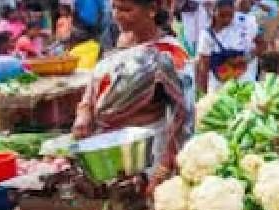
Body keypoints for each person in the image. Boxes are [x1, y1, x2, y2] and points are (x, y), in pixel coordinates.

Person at [72, 0, 193, 187]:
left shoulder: (170, 54)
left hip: (145, 156)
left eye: (126, 9)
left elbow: (184, 117)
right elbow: (95, 82)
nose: (117, 15)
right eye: (114, 7)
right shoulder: (116, 41)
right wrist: (84, 112)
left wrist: (164, 168)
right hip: (104, 151)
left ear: (151, 10)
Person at [195, 0, 259, 93]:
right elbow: (203, 67)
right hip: (219, 86)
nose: (226, 19)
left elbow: (262, 45)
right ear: (213, 11)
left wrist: (245, 58)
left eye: (230, 15)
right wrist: (204, 94)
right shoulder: (206, 35)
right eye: (222, 15)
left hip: (244, 83)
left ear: (234, 11)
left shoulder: (245, 23)